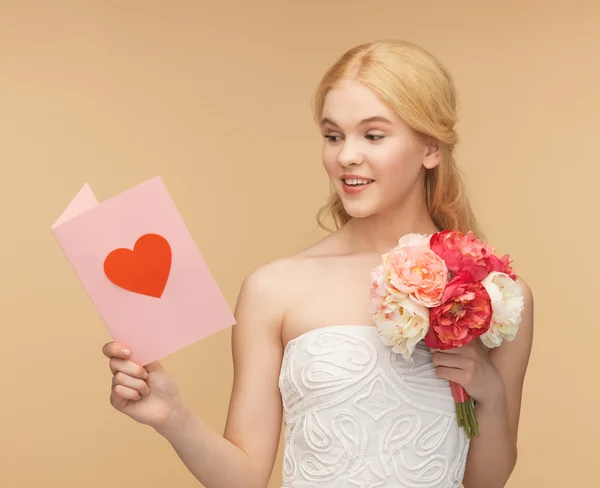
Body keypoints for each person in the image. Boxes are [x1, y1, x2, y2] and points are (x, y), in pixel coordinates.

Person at [102, 39, 534, 488]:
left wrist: (491, 392)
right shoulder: (274, 289)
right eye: (333, 135)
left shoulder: (495, 296)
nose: (346, 155)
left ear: (430, 148)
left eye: (373, 135)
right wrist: (172, 414)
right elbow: (246, 477)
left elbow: (488, 481)